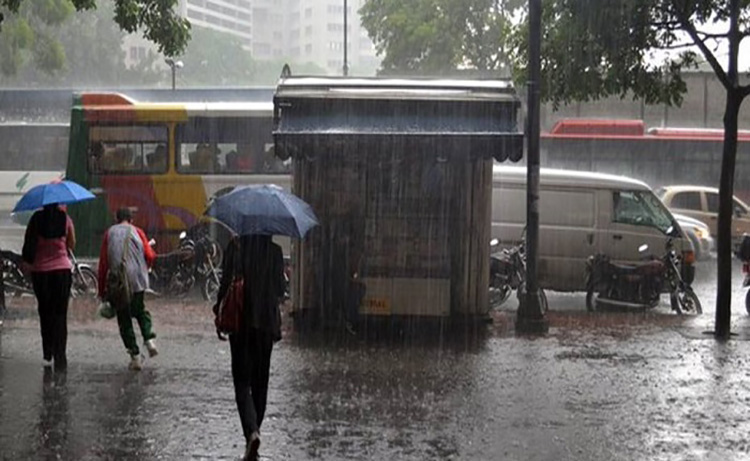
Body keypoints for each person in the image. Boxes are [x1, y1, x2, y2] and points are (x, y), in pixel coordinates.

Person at [214, 235, 285, 461]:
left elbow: (225, 284)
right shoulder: (275, 251)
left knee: (242, 383)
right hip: (265, 325)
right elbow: (281, 290)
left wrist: (218, 312)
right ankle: (253, 435)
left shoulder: (235, 247)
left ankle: (251, 432)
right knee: (260, 384)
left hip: (241, 323)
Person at [97, 207, 158, 371]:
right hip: (138, 279)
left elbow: (103, 263)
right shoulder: (138, 231)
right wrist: (146, 267)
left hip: (119, 282)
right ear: (131, 220)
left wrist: (101, 290)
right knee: (139, 310)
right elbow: (151, 256)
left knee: (124, 319)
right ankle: (149, 339)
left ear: (117, 219)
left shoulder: (109, 234)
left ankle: (135, 356)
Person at [21, 203, 76, 371]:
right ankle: (61, 354)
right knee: (60, 314)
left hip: (41, 273)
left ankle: (48, 351)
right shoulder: (65, 219)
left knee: (45, 312)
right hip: (62, 271)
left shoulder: (36, 220)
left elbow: (29, 245)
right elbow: (72, 244)